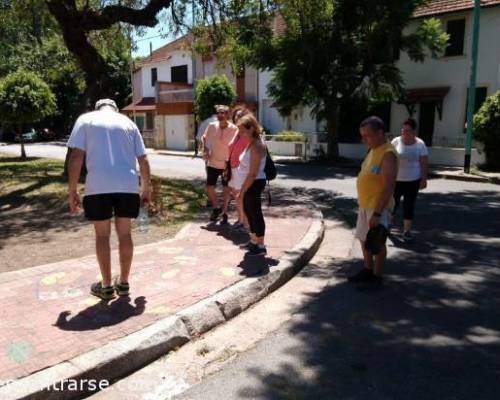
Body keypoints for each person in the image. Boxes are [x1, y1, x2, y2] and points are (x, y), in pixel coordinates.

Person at [67, 98, 151, 301]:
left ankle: (105, 286)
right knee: (125, 234)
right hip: (128, 186)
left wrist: (72, 190)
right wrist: (146, 189)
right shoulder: (129, 124)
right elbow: (143, 160)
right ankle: (123, 283)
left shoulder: (86, 120)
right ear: (115, 109)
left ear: (97, 108)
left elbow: (76, 157)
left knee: (102, 236)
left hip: (98, 187)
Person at [348, 116, 398, 287]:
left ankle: (377, 277)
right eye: (362, 135)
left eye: (367, 135)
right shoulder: (373, 149)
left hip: (378, 207)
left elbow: (389, 186)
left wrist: (377, 213)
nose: (364, 139)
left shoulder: (388, 153)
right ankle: (368, 269)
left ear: (380, 133)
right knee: (363, 238)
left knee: (377, 242)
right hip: (365, 204)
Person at [234, 114, 268, 256]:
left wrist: (241, 192)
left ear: (252, 128)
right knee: (250, 213)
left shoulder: (257, 145)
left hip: (253, 184)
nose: (240, 134)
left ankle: (260, 246)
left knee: (255, 213)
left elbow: (253, 173)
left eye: (242, 130)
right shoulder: (252, 143)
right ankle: (254, 240)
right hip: (249, 184)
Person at [391, 118, 428, 241]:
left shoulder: (420, 144)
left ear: (414, 132)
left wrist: (424, 179)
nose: (405, 132)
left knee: (409, 205)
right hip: (396, 180)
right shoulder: (395, 142)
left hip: (413, 180)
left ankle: (406, 231)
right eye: (403, 129)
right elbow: (388, 159)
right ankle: (387, 225)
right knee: (392, 204)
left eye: (408, 130)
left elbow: (424, 163)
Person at [201, 105, 238, 223]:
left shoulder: (234, 129)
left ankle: (225, 212)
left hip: (226, 164)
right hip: (212, 162)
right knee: (209, 187)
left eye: (223, 113)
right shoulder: (212, 126)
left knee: (226, 188)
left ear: (227, 115)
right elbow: (204, 138)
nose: (220, 115)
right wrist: (205, 150)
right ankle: (216, 207)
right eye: (218, 113)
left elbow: (237, 145)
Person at [228, 106, 251, 230]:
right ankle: (241, 220)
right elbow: (230, 147)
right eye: (236, 115)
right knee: (237, 194)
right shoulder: (237, 131)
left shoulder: (247, 131)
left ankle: (245, 222)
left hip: (241, 168)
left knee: (241, 195)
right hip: (234, 166)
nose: (237, 117)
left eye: (240, 115)